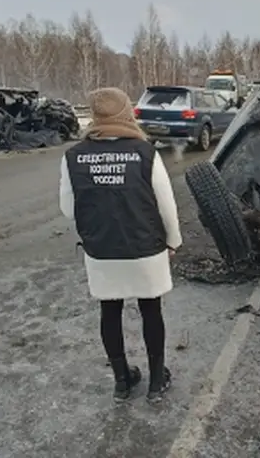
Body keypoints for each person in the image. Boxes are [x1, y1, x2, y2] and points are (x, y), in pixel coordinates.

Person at [58, 87, 182, 404]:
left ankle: (122, 381)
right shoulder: (145, 152)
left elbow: (68, 208)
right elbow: (166, 205)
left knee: (109, 311)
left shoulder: (73, 157)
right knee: (150, 311)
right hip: (145, 248)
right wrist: (173, 241)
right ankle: (156, 382)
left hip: (102, 249)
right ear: (127, 112)